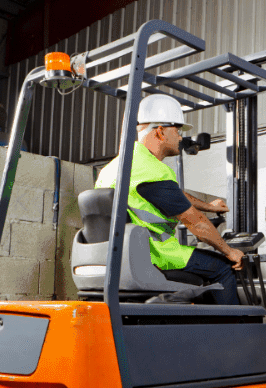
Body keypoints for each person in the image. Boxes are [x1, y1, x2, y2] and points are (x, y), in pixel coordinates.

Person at [95, 93, 245, 305]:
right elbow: (197, 224)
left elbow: (175, 195)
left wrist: (209, 206)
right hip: (156, 256)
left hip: (119, 258)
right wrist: (230, 251)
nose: (181, 137)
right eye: (178, 130)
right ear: (161, 132)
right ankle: (232, 335)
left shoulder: (115, 168)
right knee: (223, 268)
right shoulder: (153, 172)